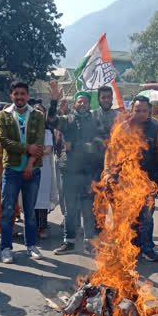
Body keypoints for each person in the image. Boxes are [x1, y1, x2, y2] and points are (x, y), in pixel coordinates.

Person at [105, 95, 158, 261]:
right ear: (132, 110)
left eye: (144, 110)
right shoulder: (122, 128)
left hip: (147, 181)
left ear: (149, 111)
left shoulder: (156, 128)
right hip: (125, 180)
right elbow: (111, 151)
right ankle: (128, 248)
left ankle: (147, 248)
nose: (141, 113)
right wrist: (108, 171)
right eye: (137, 110)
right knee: (127, 217)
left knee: (147, 216)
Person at [0, 81, 46, 263]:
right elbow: (4, 141)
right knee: (8, 211)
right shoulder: (4, 115)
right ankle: (6, 248)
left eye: (22, 94)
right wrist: (27, 148)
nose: (19, 97)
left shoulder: (38, 115)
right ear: (11, 96)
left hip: (32, 170)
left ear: (28, 95)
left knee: (30, 211)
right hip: (11, 169)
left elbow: (39, 142)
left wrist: (30, 163)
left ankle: (31, 246)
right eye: (16, 93)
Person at [47, 88, 100, 255]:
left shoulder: (95, 121)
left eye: (85, 101)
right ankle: (69, 242)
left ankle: (89, 242)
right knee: (70, 209)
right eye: (79, 101)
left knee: (88, 208)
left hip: (89, 172)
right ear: (75, 104)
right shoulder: (67, 120)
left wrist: (76, 147)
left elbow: (98, 146)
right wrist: (54, 102)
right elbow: (50, 121)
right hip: (69, 171)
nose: (82, 103)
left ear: (89, 104)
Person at [30, 99, 55, 240]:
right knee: (30, 197)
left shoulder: (47, 132)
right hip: (29, 166)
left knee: (42, 197)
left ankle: (42, 226)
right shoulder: (28, 130)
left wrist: (33, 151)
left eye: (41, 111)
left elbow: (48, 149)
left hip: (43, 168)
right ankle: (31, 226)